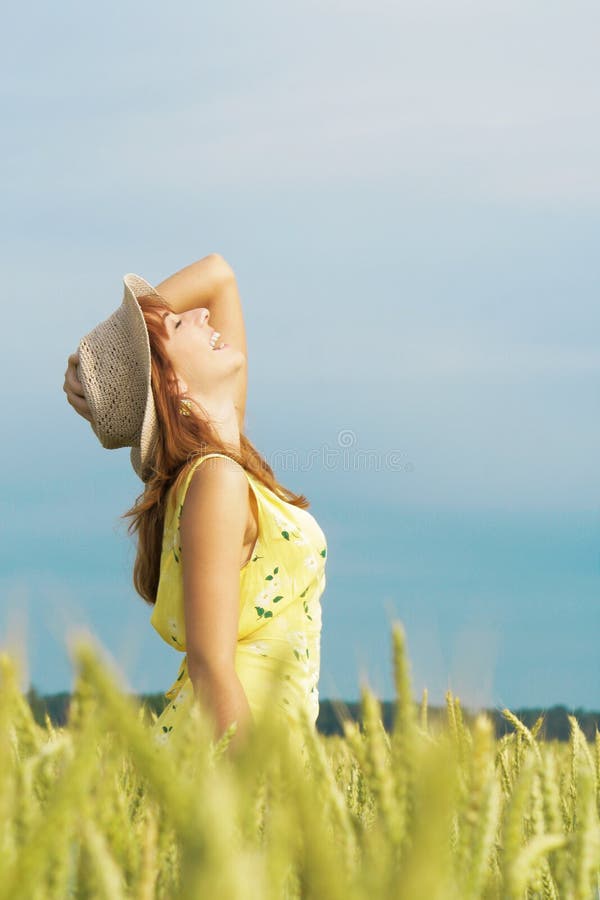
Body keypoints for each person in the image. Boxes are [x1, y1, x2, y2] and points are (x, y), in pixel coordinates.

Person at [63, 254, 327, 758]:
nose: (202, 314)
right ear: (174, 386)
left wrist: (101, 356)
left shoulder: (229, 462)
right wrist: (257, 788)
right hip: (237, 749)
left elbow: (219, 274)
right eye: (182, 322)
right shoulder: (216, 480)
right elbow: (210, 664)